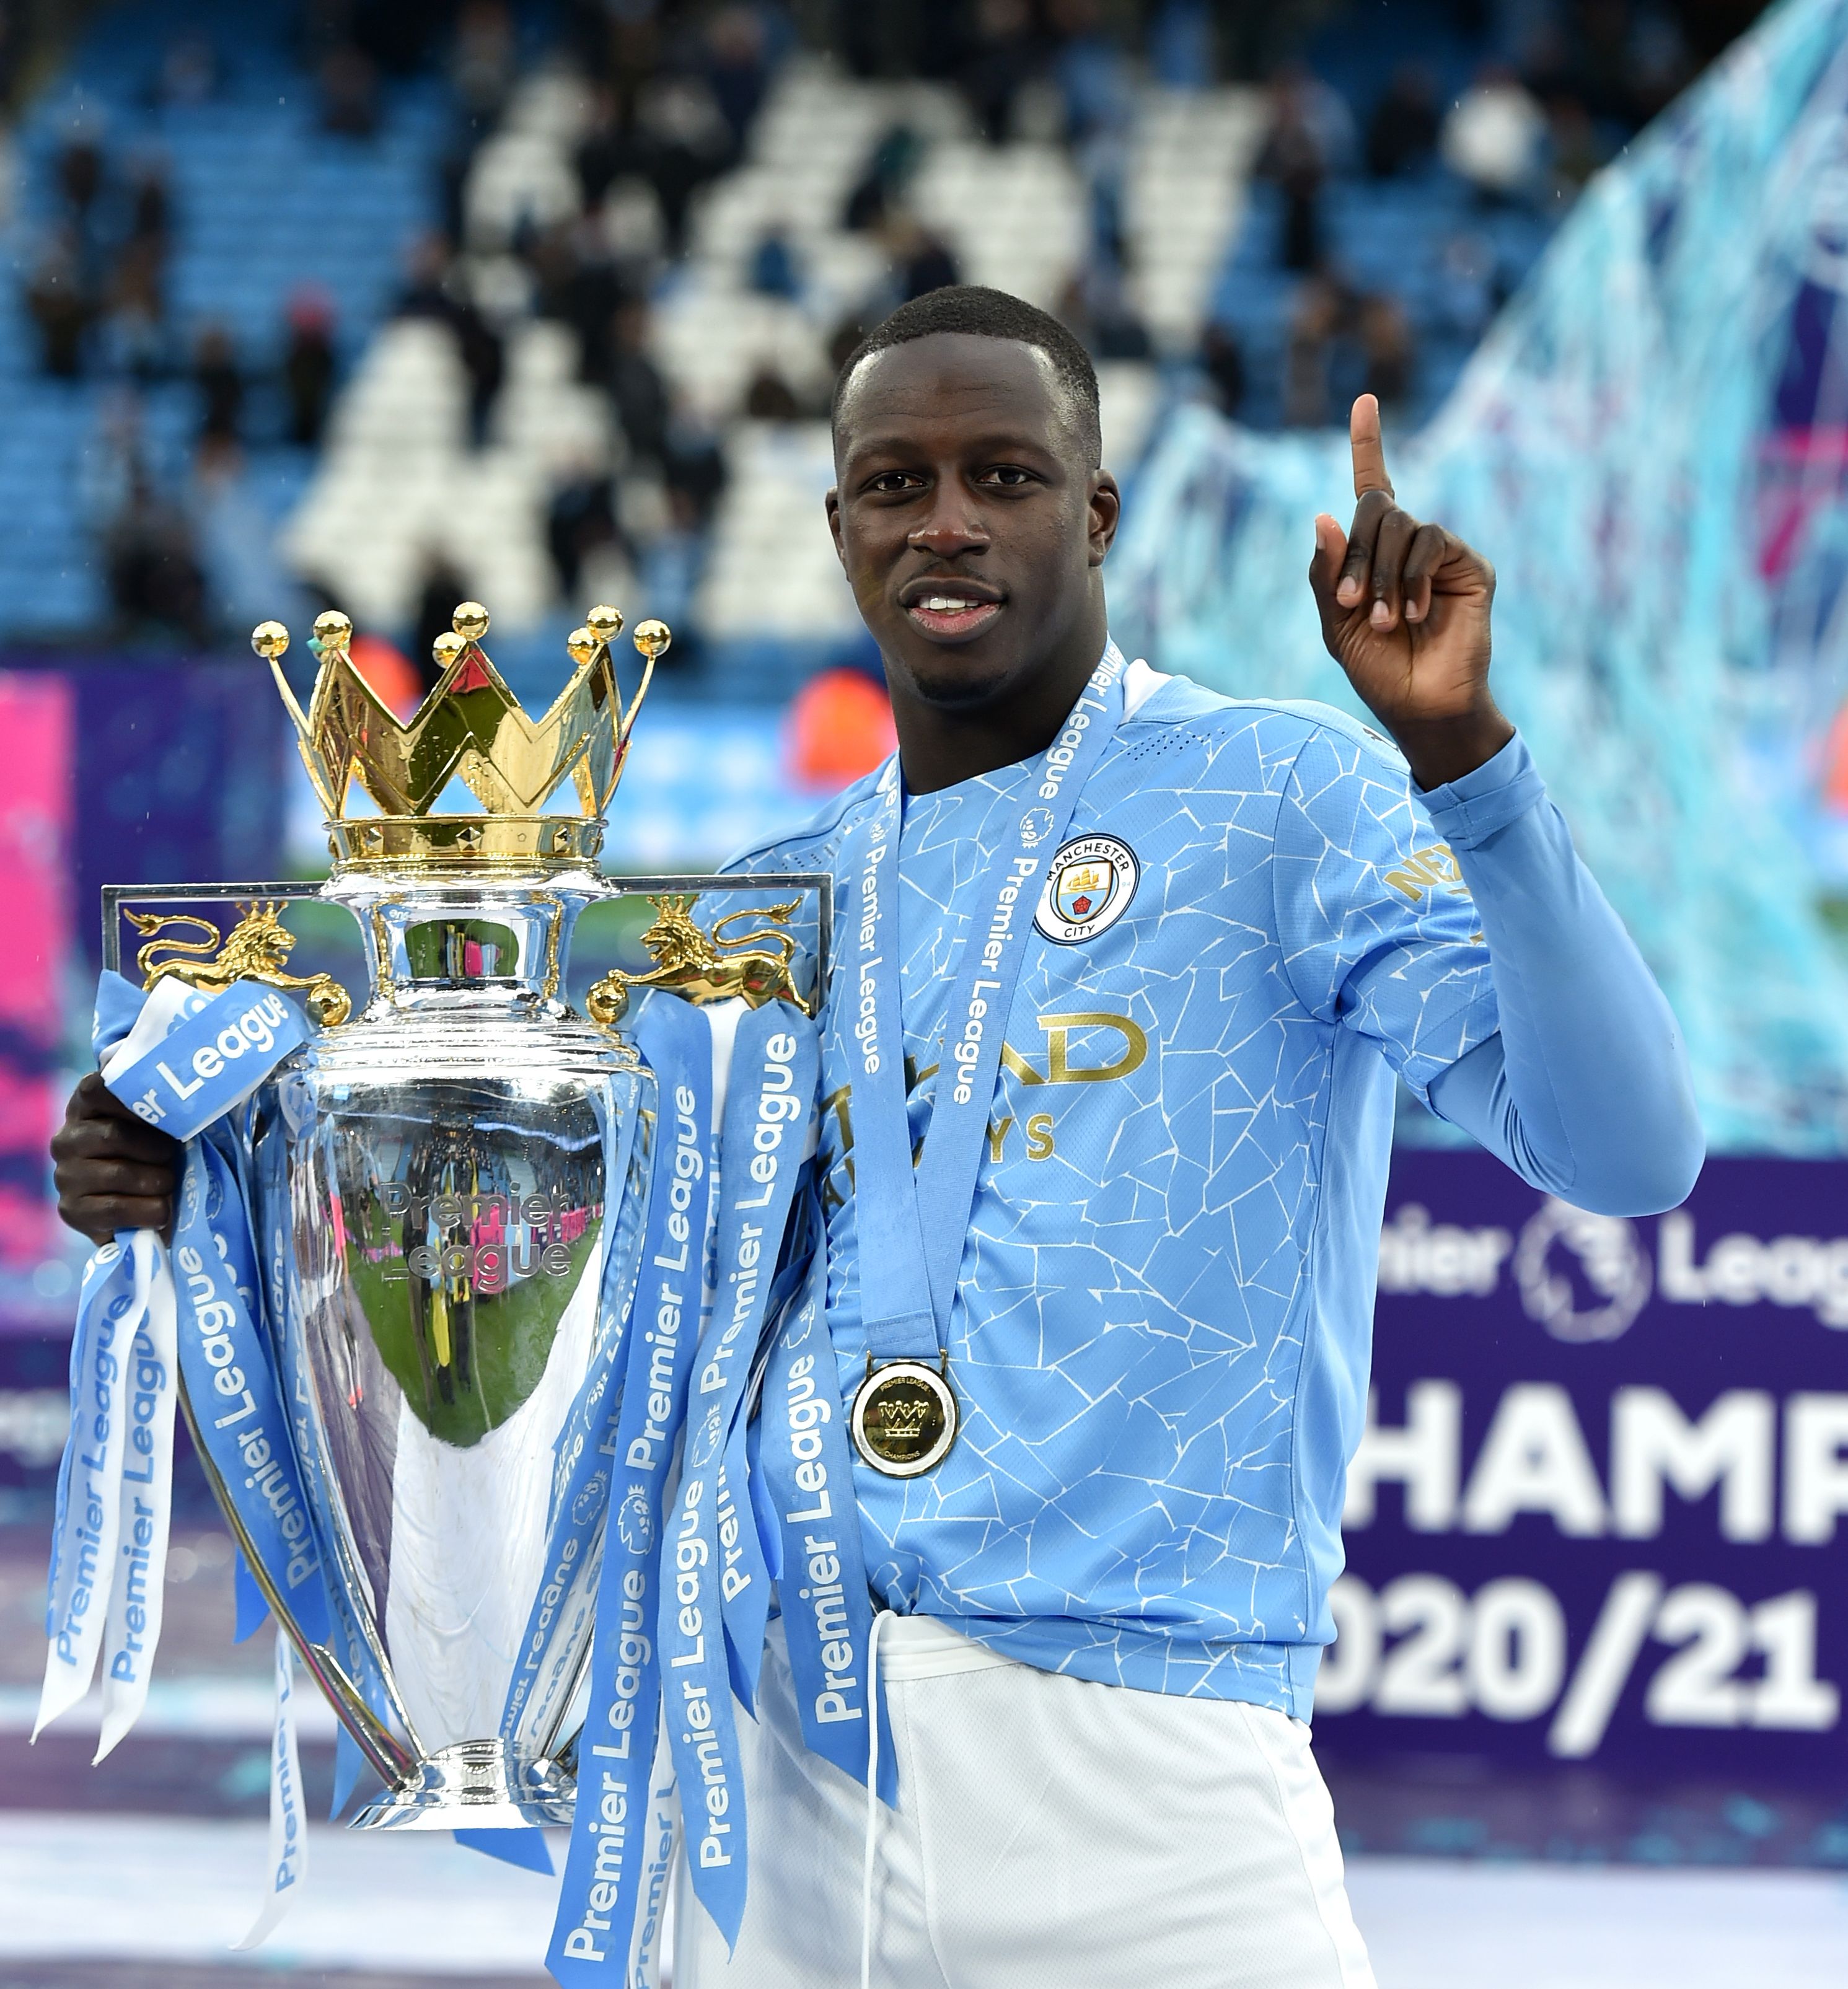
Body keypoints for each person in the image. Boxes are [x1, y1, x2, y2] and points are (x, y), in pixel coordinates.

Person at [49, 286, 1704, 1987]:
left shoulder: (1279, 801)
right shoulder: (763, 905)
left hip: (1147, 1772)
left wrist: (1459, 755)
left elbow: (1628, 1148)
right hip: (770, 1765)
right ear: (839, 525)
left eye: (1005, 473)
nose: (948, 521)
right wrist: (224, 1194)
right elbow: (558, 1277)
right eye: (896, 483)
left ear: (1100, 509)